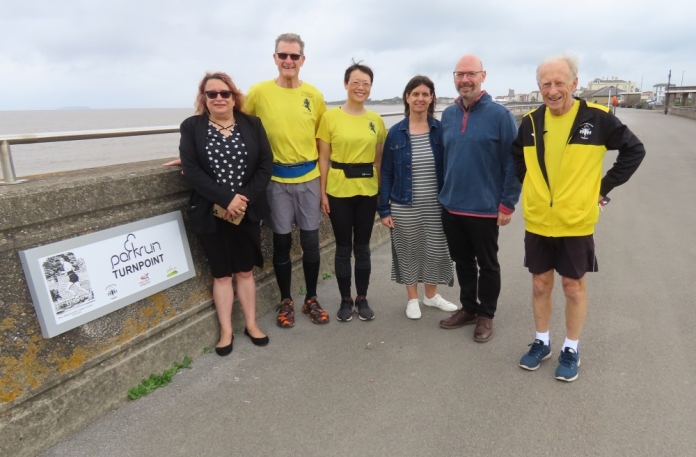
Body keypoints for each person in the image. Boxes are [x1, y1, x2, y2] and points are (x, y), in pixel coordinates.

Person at [513, 54, 645, 381]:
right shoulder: (529, 122)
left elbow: (634, 150)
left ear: (574, 83)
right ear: (539, 87)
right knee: (540, 284)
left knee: (573, 287)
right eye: (546, 84)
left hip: (576, 222)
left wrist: (601, 188)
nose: (553, 90)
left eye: (560, 82)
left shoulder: (597, 118)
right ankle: (541, 341)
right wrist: (531, 188)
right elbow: (517, 158)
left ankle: (571, 347)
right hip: (539, 220)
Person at [179, 72, 272, 356]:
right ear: (203, 98)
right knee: (221, 275)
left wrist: (242, 201)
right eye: (212, 94)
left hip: (246, 210)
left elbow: (265, 165)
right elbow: (192, 170)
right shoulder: (192, 127)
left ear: (234, 96)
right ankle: (226, 331)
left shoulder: (252, 124)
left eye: (224, 93)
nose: (218, 98)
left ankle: (252, 324)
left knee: (244, 271)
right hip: (210, 212)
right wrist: (226, 198)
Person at [245, 33, 329, 328]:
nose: (288, 61)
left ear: (302, 60)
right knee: (281, 243)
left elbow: (324, 142)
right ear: (275, 58)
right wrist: (193, 153)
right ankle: (286, 300)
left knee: (310, 243)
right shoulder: (258, 92)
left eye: (294, 56)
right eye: (283, 55)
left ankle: (312, 299)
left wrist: (324, 189)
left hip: (309, 177)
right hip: (275, 180)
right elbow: (234, 122)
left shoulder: (315, 96)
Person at [438, 54, 521, 342]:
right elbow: (443, 159)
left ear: (482, 76)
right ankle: (469, 308)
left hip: (485, 208)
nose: (464, 80)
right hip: (452, 206)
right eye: (459, 75)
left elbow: (514, 163)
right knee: (461, 261)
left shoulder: (500, 116)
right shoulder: (448, 115)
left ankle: (486, 314)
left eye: (470, 74)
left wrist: (507, 203)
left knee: (487, 264)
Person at [378, 75, 457, 319]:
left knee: (435, 250)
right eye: (415, 94)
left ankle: (430, 296)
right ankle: (412, 299)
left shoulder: (441, 130)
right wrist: (384, 209)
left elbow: (452, 166)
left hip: (436, 203)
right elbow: (387, 173)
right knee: (408, 251)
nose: (420, 98)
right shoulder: (396, 133)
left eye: (425, 94)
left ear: (432, 98)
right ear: (407, 97)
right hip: (404, 204)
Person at [317, 62, 386, 322]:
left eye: (366, 83)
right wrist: (323, 193)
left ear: (370, 88)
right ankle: (345, 298)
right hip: (338, 189)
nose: (360, 87)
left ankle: (362, 297)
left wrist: (380, 193)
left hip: (367, 190)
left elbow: (378, 161)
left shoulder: (376, 120)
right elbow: (323, 158)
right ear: (346, 84)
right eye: (355, 82)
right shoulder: (330, 117)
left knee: (363, 247)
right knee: (343, 247)